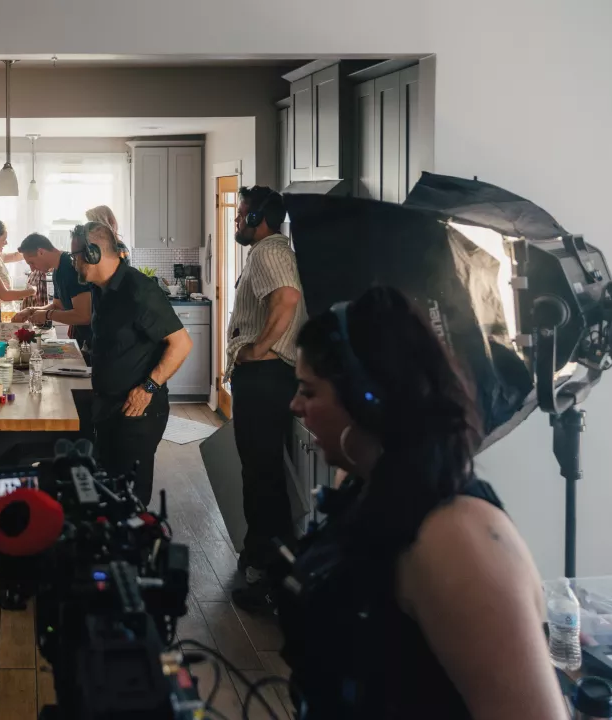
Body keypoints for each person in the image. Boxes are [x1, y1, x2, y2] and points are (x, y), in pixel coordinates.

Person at [275, 286, 565, 719]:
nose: (295, 405)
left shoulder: (458, 538)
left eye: (309, 391)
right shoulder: (364, 488)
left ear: (367, 399)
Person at [224, 185, 308, 608]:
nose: (237, 221)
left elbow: (287, 298)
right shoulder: (269, 252)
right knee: (262, 473)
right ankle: (262, 560)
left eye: (241, 215)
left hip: (266, 376)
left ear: (259, 219)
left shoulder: (269, 252)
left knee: (263, 476)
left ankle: (269, 574)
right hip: (268, 378)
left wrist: (257, 350)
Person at [74, 221, 193, 504]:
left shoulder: (138, 291)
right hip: (108, 408)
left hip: (136, 411)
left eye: (76, 255)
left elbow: (181, 344)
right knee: (109, 493)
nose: (74, 262)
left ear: (93, 254)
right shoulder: (100, 289)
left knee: (131, 500)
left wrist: (148, 387)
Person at [12, 232, 93, 356]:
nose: (33, 269)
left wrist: (47, 315)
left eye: (31, 262)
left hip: (96, 342)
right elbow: (57, 306)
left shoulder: (70, 267)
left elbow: (84, 316)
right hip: (83, 338)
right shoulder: (57, 271)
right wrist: (30, 310)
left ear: (41, 252)